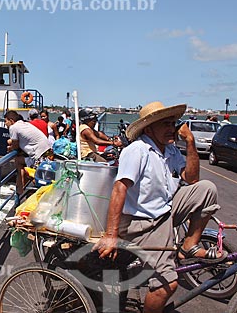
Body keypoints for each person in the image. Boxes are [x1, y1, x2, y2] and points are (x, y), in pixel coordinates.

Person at [93, 101, 226, 313]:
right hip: (142, 222)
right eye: (164, 124)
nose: (170, 128)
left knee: (206, 188)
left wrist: (190, 142)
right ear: (149, 128)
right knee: (167, 284)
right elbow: (119, 189)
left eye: (172, 123)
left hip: (164, 211)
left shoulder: (170, 150)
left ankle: (189, 246)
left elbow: (192, 179)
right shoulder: (138, 150)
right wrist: (111, 234)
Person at [4, 110, 52, 195]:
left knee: (39, 179)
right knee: (20, 161)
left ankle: (20, 191)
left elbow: (15, 146)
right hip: (48, 150)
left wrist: (9, 148)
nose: (5, 124)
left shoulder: (13, 127)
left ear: (11, 120)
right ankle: (21, 190)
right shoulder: (23, 123)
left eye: (5, 121)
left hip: (40, 154)